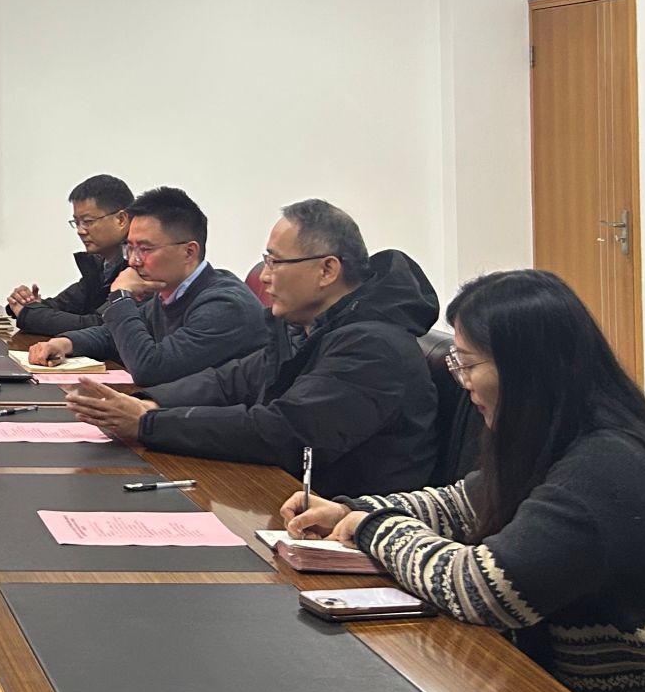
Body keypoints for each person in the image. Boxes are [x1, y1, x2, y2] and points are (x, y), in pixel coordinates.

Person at [286, 270, 645, 692]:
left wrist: (374, 529)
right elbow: (462, 503)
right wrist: (351, 508)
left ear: (527, 369)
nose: (461, 380)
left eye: (468, 363)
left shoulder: (608, 465)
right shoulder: (558, 438)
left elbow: (488, 588)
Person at [66, 199, 440, 495]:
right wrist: (150, 403)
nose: (265, 277)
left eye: (275, 262)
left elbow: (284, 431)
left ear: (327, 270)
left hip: (348, 529)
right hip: (291, 499)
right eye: (266, 261)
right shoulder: (306, 327)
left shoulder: (373, 345)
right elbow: (233, 380)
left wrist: (148, 424)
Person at [28, 185, 278, 381]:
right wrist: (64, 343)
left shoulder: (224, 305)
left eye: (145, 249)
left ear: (189, 252)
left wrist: (120, 295)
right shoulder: (170, 292)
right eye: (130, 248)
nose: (133, 261)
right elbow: (112, 334)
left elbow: (151, 368)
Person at [6, 174, 132, 341]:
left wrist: (31, 314)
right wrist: (29, 304)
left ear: (121, 219)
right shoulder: (101, 265)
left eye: (88, 221)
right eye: (76, 222)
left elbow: (100, 325)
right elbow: (64, 305)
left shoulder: (140, 268)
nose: (80, 231)